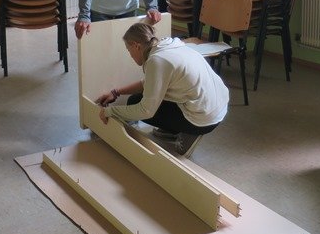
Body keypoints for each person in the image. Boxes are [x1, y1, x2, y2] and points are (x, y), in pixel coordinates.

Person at [95, 22, 229, 157]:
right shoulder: (169, 45)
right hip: (216, 105)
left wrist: (110, 111)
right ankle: (173, 130)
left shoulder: (157, 61)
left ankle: (190, 132)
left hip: (205, 119)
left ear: (136, 46)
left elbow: (145, 111)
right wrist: (116, 92)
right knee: (134, 100)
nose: (130, 55)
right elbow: (148, 83)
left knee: (136, 104)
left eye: (129, 50)